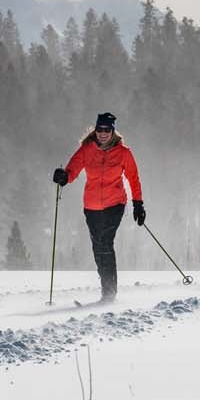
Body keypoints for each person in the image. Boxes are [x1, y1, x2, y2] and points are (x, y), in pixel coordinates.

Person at [51, 112, 144, 302]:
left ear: (112, 131)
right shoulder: (86, 150)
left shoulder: (124, 152)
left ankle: (109, 292)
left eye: (107, 130)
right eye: (99, 129)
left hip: (114, 204)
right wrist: (64, 177)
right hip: (92, 206)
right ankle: (106, 287)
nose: (103, 133)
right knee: (97, 247)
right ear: (96, 130)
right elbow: (73, 169)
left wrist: (138, 204)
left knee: (105, 243)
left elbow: (133, 178)